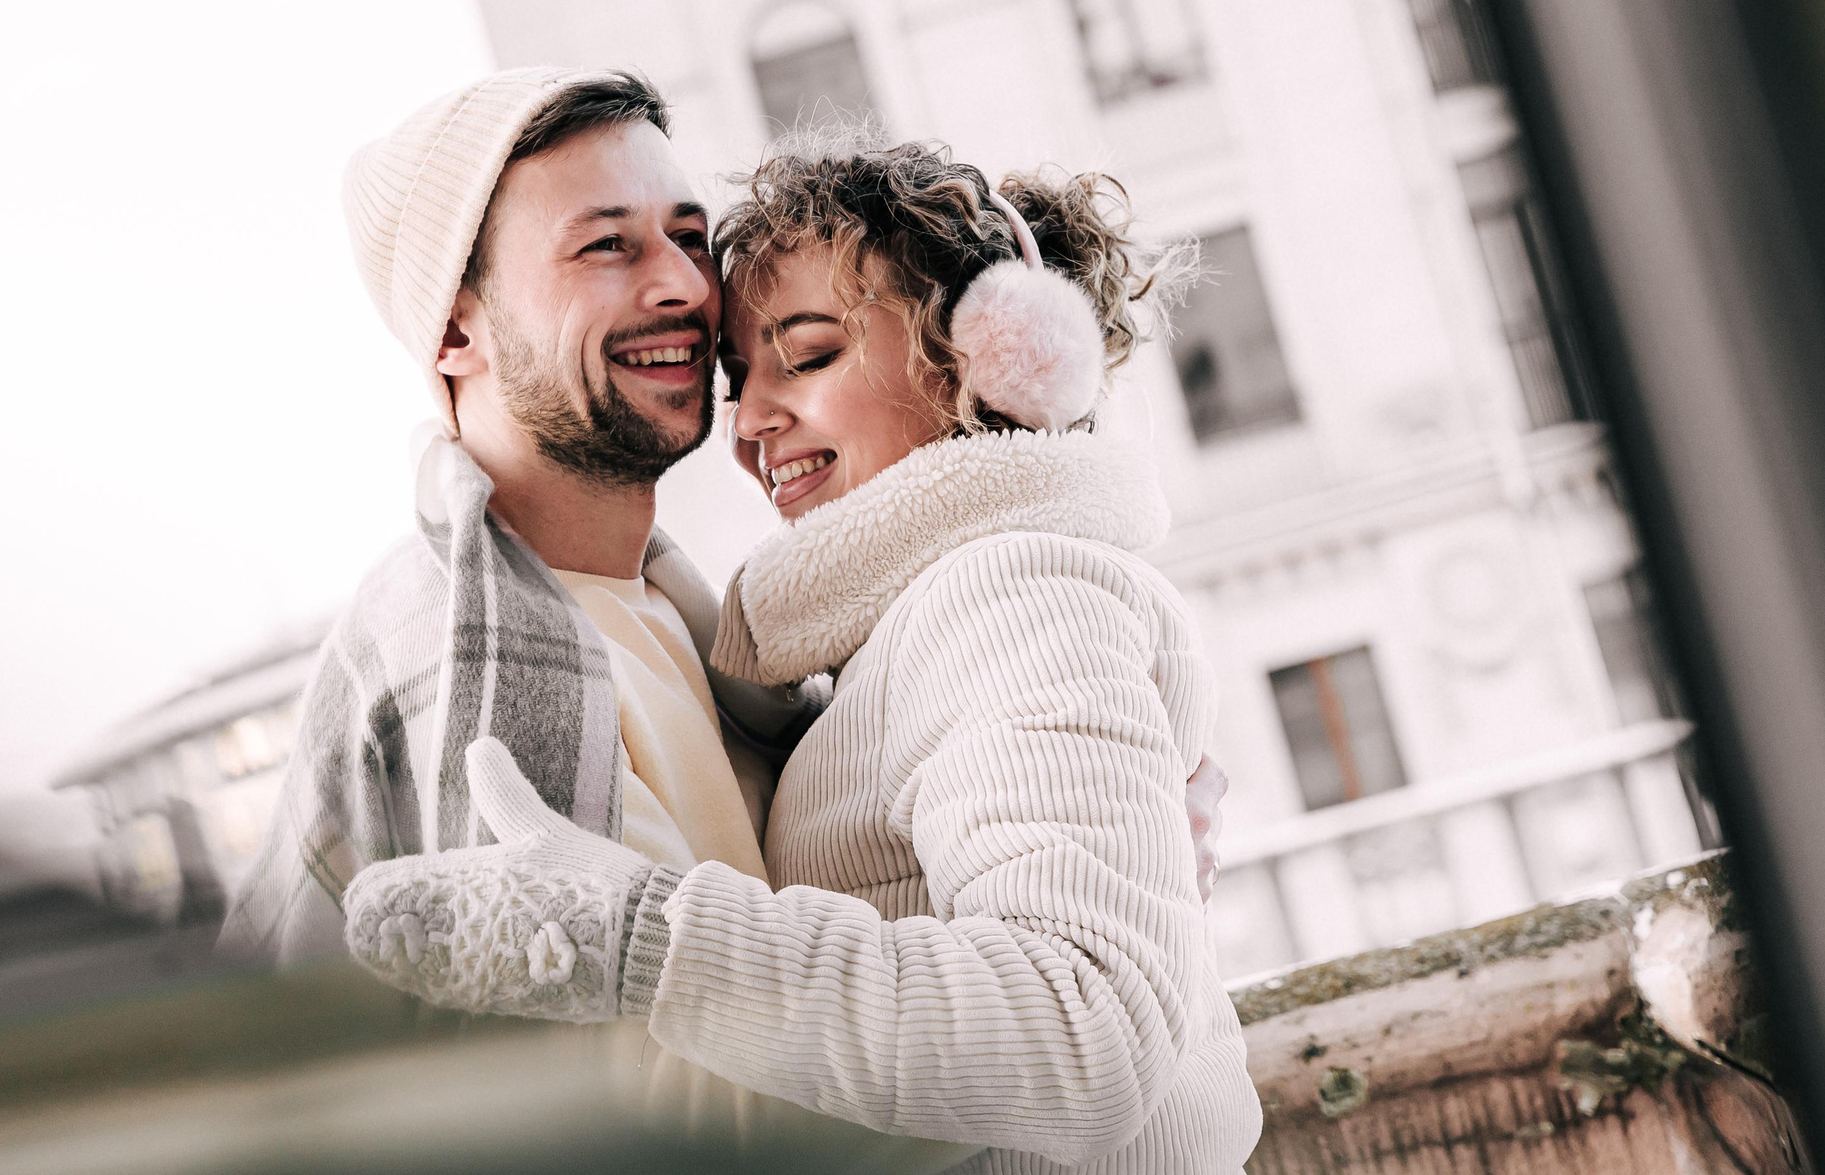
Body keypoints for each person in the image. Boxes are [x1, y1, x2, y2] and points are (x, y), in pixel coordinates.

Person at [340, 133, 1263, 1172]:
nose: (750, 423)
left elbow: (1081, 1035)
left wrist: (643, 936)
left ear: (993, 361)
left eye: (812, 354)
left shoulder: (1013, 595)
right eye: (743, 373)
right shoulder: (879, 636)